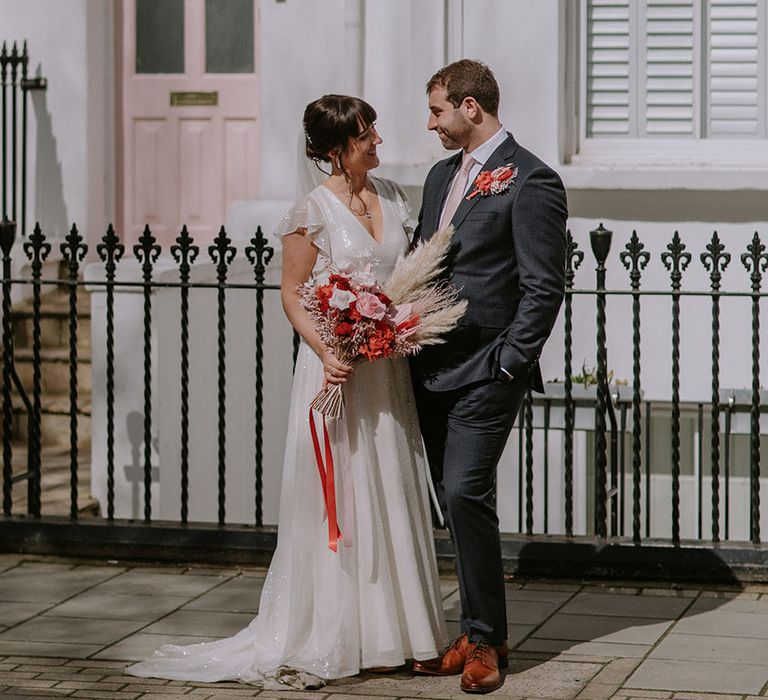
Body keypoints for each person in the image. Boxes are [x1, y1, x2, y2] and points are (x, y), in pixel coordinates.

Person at [125, 95, 446, 687]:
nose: (378, 138)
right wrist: (329, 350)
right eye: (365, 133)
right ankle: (345, 631)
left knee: (391, 484)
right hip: (336, 368)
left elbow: (406, 277)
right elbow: (294, 291)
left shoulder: (397, 198)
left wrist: (396, 325)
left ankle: (410, 632)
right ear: (334, 149)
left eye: (374, 128)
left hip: (386, 370)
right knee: (344, 493)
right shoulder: (310, 212)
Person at [410, 60, 568, 694]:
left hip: (487, 371)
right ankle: (486, 631)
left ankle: (483, 644)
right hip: (428, 366)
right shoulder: (438, 177)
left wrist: (511, 361)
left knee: (465, 491)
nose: (431, 124)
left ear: (470, 108)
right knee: (453, 502)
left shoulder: (532, 180)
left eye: (437, 111)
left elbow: (544, 285)